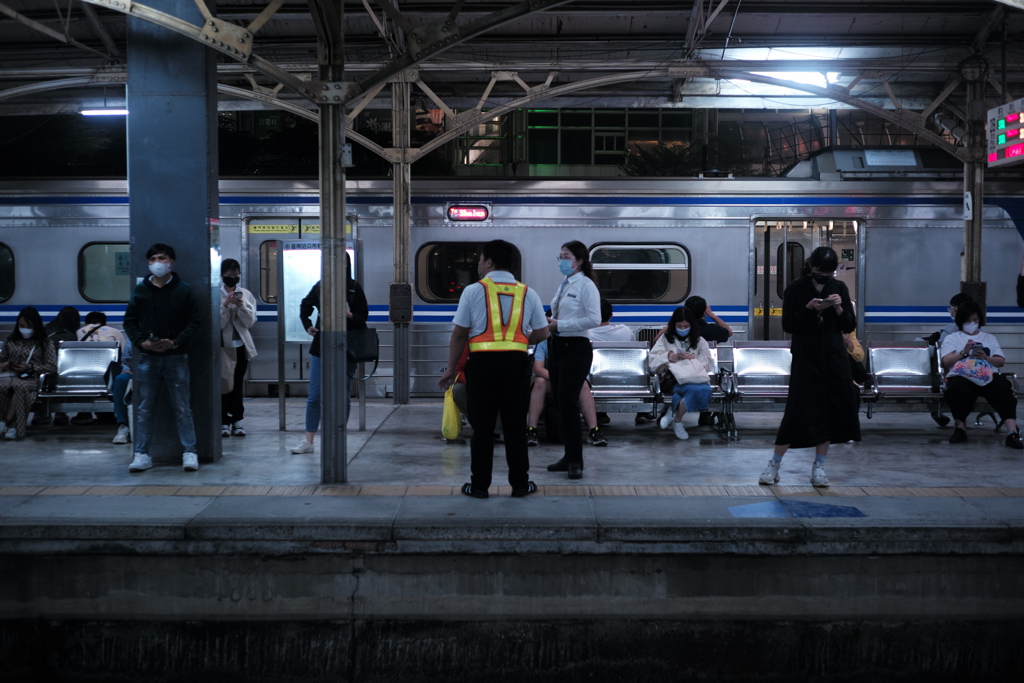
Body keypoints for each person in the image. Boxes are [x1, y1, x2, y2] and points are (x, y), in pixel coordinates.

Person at [438, 239, 549, 498]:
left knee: (483, 428)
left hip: (482, 367)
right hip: (516, 366)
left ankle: (479, 487)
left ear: (488, 262)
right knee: (514, 428)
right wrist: (521, 340)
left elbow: (458, 335)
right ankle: (520, 485)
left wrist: (451, 369)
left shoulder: (474, 291)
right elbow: (543, 332)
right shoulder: (528, 292)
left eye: (480, 261)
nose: (479, 265)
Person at [758, 246, 860, 488]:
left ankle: (819, 467)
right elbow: (789, 325)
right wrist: (809, 308)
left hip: (834, 359)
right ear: (811, 266)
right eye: (821, 270)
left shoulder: (839, 289)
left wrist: (838, 307)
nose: (825, 274)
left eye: (830, 271)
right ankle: (774, 464)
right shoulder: (795, 289)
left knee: (828, 414)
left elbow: (848, 325)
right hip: (806, 358)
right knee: (796, 412)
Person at [122, 243, 202, 473]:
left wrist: (175, 341)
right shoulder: (140, 291)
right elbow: (130, 322)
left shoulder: (183, 290)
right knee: (144, 408)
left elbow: (195, 323)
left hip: (176, 356)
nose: (158, 262)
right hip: (147, 357)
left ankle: (190, 452)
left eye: (163, 258)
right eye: (154, 258)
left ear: (171, 262)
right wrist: (142, 342)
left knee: (183, 408)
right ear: (148, 263)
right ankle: (141, 454)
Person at [292, 253, 369, 454]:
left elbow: (363, 316)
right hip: (322, 344)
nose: (337, 267)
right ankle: (309, 440)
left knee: (343, 393)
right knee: (315, 394)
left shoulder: (354, 287)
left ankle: (339, 436)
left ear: (347, 264)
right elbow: (305, 306)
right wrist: (308, 325)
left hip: (348, 346)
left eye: (341, 263)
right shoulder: (321, 286)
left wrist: (348, 314)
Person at [545, 240, 601, 479]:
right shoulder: (565, 284)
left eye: (565, 256)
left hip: (576, 347)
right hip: (557, 346)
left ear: (578, 260)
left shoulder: (586, 285)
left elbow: (594, 319)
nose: (561, 261)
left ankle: (576, 460)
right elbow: (556, 312)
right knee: (560, 402)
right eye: (559, 256)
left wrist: (561, 324)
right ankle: (568, 455)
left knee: (568, 403)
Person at [939, 300, 1023, 448]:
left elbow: (1000, 361)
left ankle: (1012, 432)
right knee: (956, 389)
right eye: (968, 320)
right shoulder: (952, 338)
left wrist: (986, 358)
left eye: (975, 320)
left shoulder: (989, 338)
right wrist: (963, 352)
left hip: (987, 374)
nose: (972, 323)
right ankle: (960, 427)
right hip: (963, 375)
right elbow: (946, 361)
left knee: (1002, 388)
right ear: (960, 321)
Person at [525, 338, 607, 448]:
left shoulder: (577, 341)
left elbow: (580, 369)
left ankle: (594, 430)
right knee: (539, 383)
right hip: (548, 378)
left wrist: (566, 379)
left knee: (582, 385)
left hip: (570, 378)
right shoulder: (543, 341)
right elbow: (538, 369)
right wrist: (559, 378)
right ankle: (531, 430)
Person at [649, 306, 714, 440]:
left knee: (704, 390)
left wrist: (693, 359)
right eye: (679, 326)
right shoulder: (665, 339)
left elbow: (709, 363)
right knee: (697, 391)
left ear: (692, 325)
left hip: (695, 377)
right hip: (674, 379)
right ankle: (677, 420)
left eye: (686, 326)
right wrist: (667, 356)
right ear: (674, 325)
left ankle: (675, 415)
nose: (683, 329)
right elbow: (652, 361)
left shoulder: (699, 340)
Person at [0, 306, 57, 440]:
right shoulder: (10, 341)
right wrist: (4, 365)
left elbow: (51, 366)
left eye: (29, 326)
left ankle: (8, 423)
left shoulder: (44, 343)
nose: (24, 329)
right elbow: (2, 359)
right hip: (9, 376)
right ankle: (10, 426)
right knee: (2, 387)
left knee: (19, 388)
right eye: (21, 325)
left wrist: (31, 367)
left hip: (30, 379)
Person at [219, 258, 257, 438]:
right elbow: (218, 324)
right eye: (229, 275)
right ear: (222, 275)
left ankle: (237, 420)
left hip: (241, 346)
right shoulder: (216, 294)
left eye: (235, 275)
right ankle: (224, 421)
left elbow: (250, 323)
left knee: (237, 384)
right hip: (223, 347)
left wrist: (243, 308)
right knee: (225, 384)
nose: (233, 278)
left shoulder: (246, 294)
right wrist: (225, 305)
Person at [924, 293, 974, 427]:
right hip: (977, 373)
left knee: (930, 369)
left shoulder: (948, 330)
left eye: (951, 308)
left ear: (956, 310)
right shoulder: (981, 330)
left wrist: (930, 343)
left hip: (951, 375)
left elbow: (940, 355)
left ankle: (936, 410)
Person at [41, 306, 80, 426]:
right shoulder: (71, 336)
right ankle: (60, 414)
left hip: (44, 373)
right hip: (62, 375)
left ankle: (41, 415)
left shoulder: (47, 330)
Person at [110, 338, 133, 445]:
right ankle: (123, 425)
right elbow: (126, 359)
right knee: (120, 380)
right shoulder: (133, 335)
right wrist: (126, 368)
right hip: (135, 371)